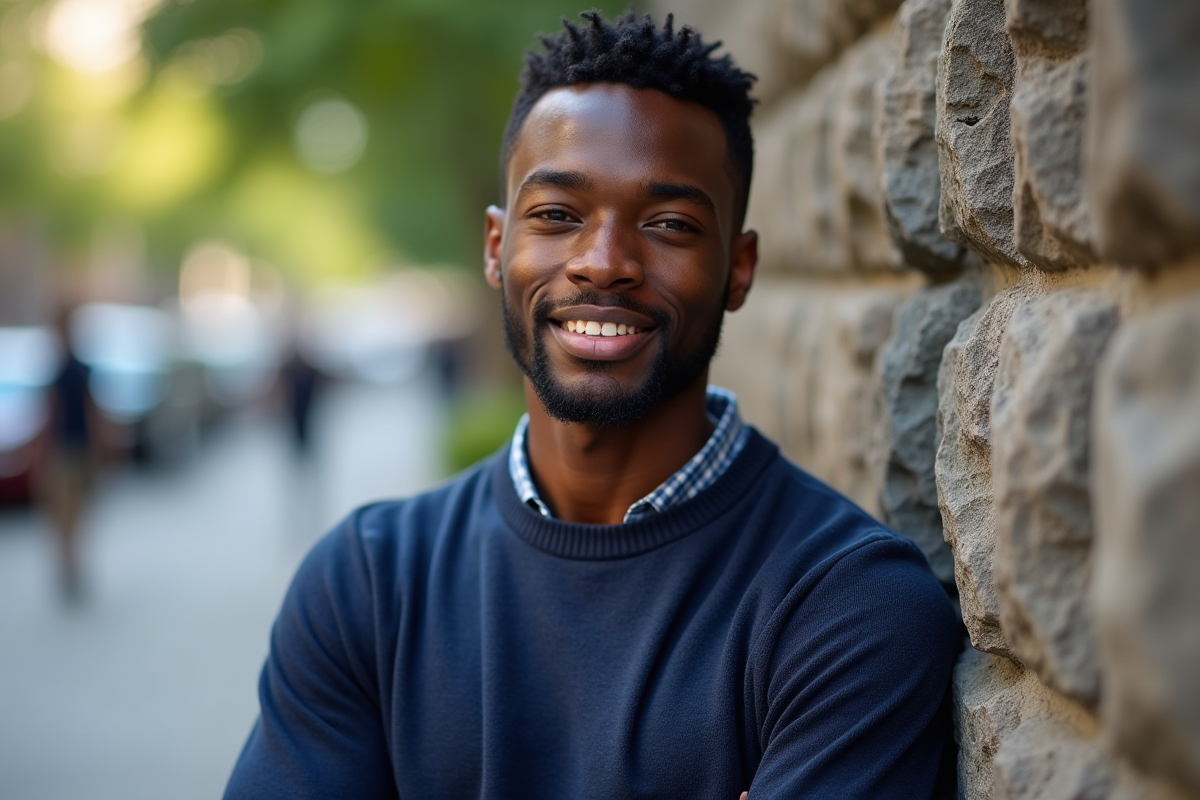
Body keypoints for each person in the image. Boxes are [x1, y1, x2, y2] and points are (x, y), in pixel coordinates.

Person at [224, 11, 960, 799]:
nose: (603, 264)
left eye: (670, 224)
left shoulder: (848, 610)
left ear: (738, 269)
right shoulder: (367, 585)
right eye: (558, 216)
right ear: (495, 246)